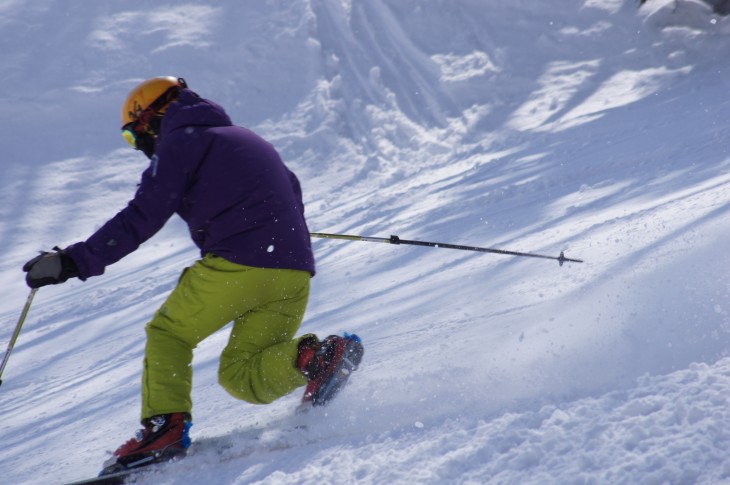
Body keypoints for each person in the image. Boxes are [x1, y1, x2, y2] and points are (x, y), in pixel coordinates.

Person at [22, 76, 363, 473]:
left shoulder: (181, 142)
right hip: (291, 272)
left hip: (240, 264)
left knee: (169, 334)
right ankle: (315, 358)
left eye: (135, 138)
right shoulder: (244, 137)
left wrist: (72, 261)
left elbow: (142, 215)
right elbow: (291, 189)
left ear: (150, 119)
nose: (141, 148)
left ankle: (163, 427)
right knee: (242, 375)